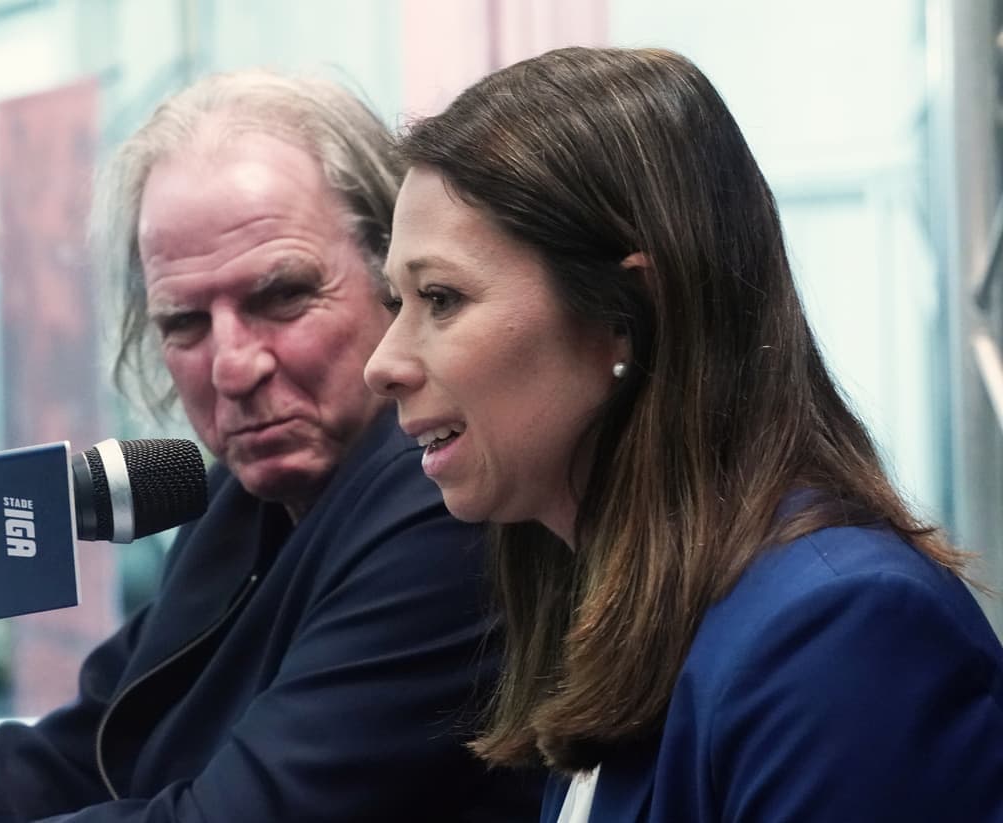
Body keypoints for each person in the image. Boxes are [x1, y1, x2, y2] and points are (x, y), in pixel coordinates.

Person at [0, 70, 542, 822]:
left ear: (394, 279)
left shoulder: (444, 507)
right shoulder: (236, 494)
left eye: (281, 295)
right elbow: (87, 751)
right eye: (184, 322)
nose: (232, 365)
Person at [364, 46, 1003, 822]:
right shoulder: (620, 605)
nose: (384, 362)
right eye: (394, 300)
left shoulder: (841, 633)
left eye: (441, 297)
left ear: (625, 313)